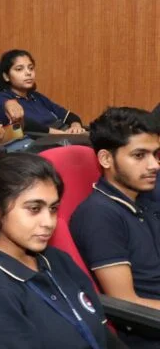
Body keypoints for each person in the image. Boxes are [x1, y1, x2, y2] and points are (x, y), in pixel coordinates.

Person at [0, 153, 111, 349]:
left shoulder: (57, 259)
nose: (49, 222)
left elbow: (105, 335)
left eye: (53, 209)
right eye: (34, 209)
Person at [70, 107, 160, 347]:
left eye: (156, 154)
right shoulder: (99, 216)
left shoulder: (145, 195)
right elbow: (126, 303)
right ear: (106, 159)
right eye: (139, 155)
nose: (154, 165)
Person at [0, 49, 86, 134]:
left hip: (65, 132)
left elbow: (67, 115)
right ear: (6, 76)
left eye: (31, 68)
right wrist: (61, 134)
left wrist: (76, 126)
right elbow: (25, 126)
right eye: (19, 69)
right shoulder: (4, 99)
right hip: (47, 138)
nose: (28, 73)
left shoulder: (36, 96)